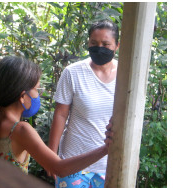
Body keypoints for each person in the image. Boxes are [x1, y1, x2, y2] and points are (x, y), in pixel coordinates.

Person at [0, 57, 113, 185]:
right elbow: (59, 168)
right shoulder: (20, 130)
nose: (39, 95)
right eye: (37, 90)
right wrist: (105, 149)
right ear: (22, 97)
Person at [48, 20, 119, 187]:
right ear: (88, 43)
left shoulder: (126, 75)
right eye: (94, 43)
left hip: (110, 165)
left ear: (117, 45)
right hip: (73, 165)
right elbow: (60, 114)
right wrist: (51, 156)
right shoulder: (73, 72)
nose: (99, 47)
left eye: (105, 43)